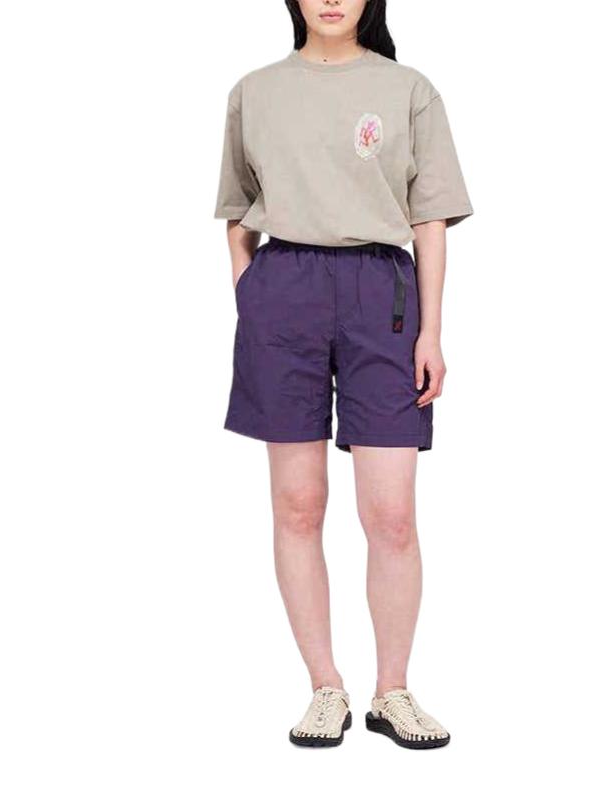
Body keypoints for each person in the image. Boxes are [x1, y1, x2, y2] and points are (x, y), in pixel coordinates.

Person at [214, 0, 472, 749]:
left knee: (391, 514)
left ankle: (392, 691)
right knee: (298, 504)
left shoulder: (408, 89)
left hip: (379, 295)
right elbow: (237, 210)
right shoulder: (255, 90)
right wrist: (252, 295)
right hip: (284, 289)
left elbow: (429, 220)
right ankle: (325, 687)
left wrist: (431, 331)